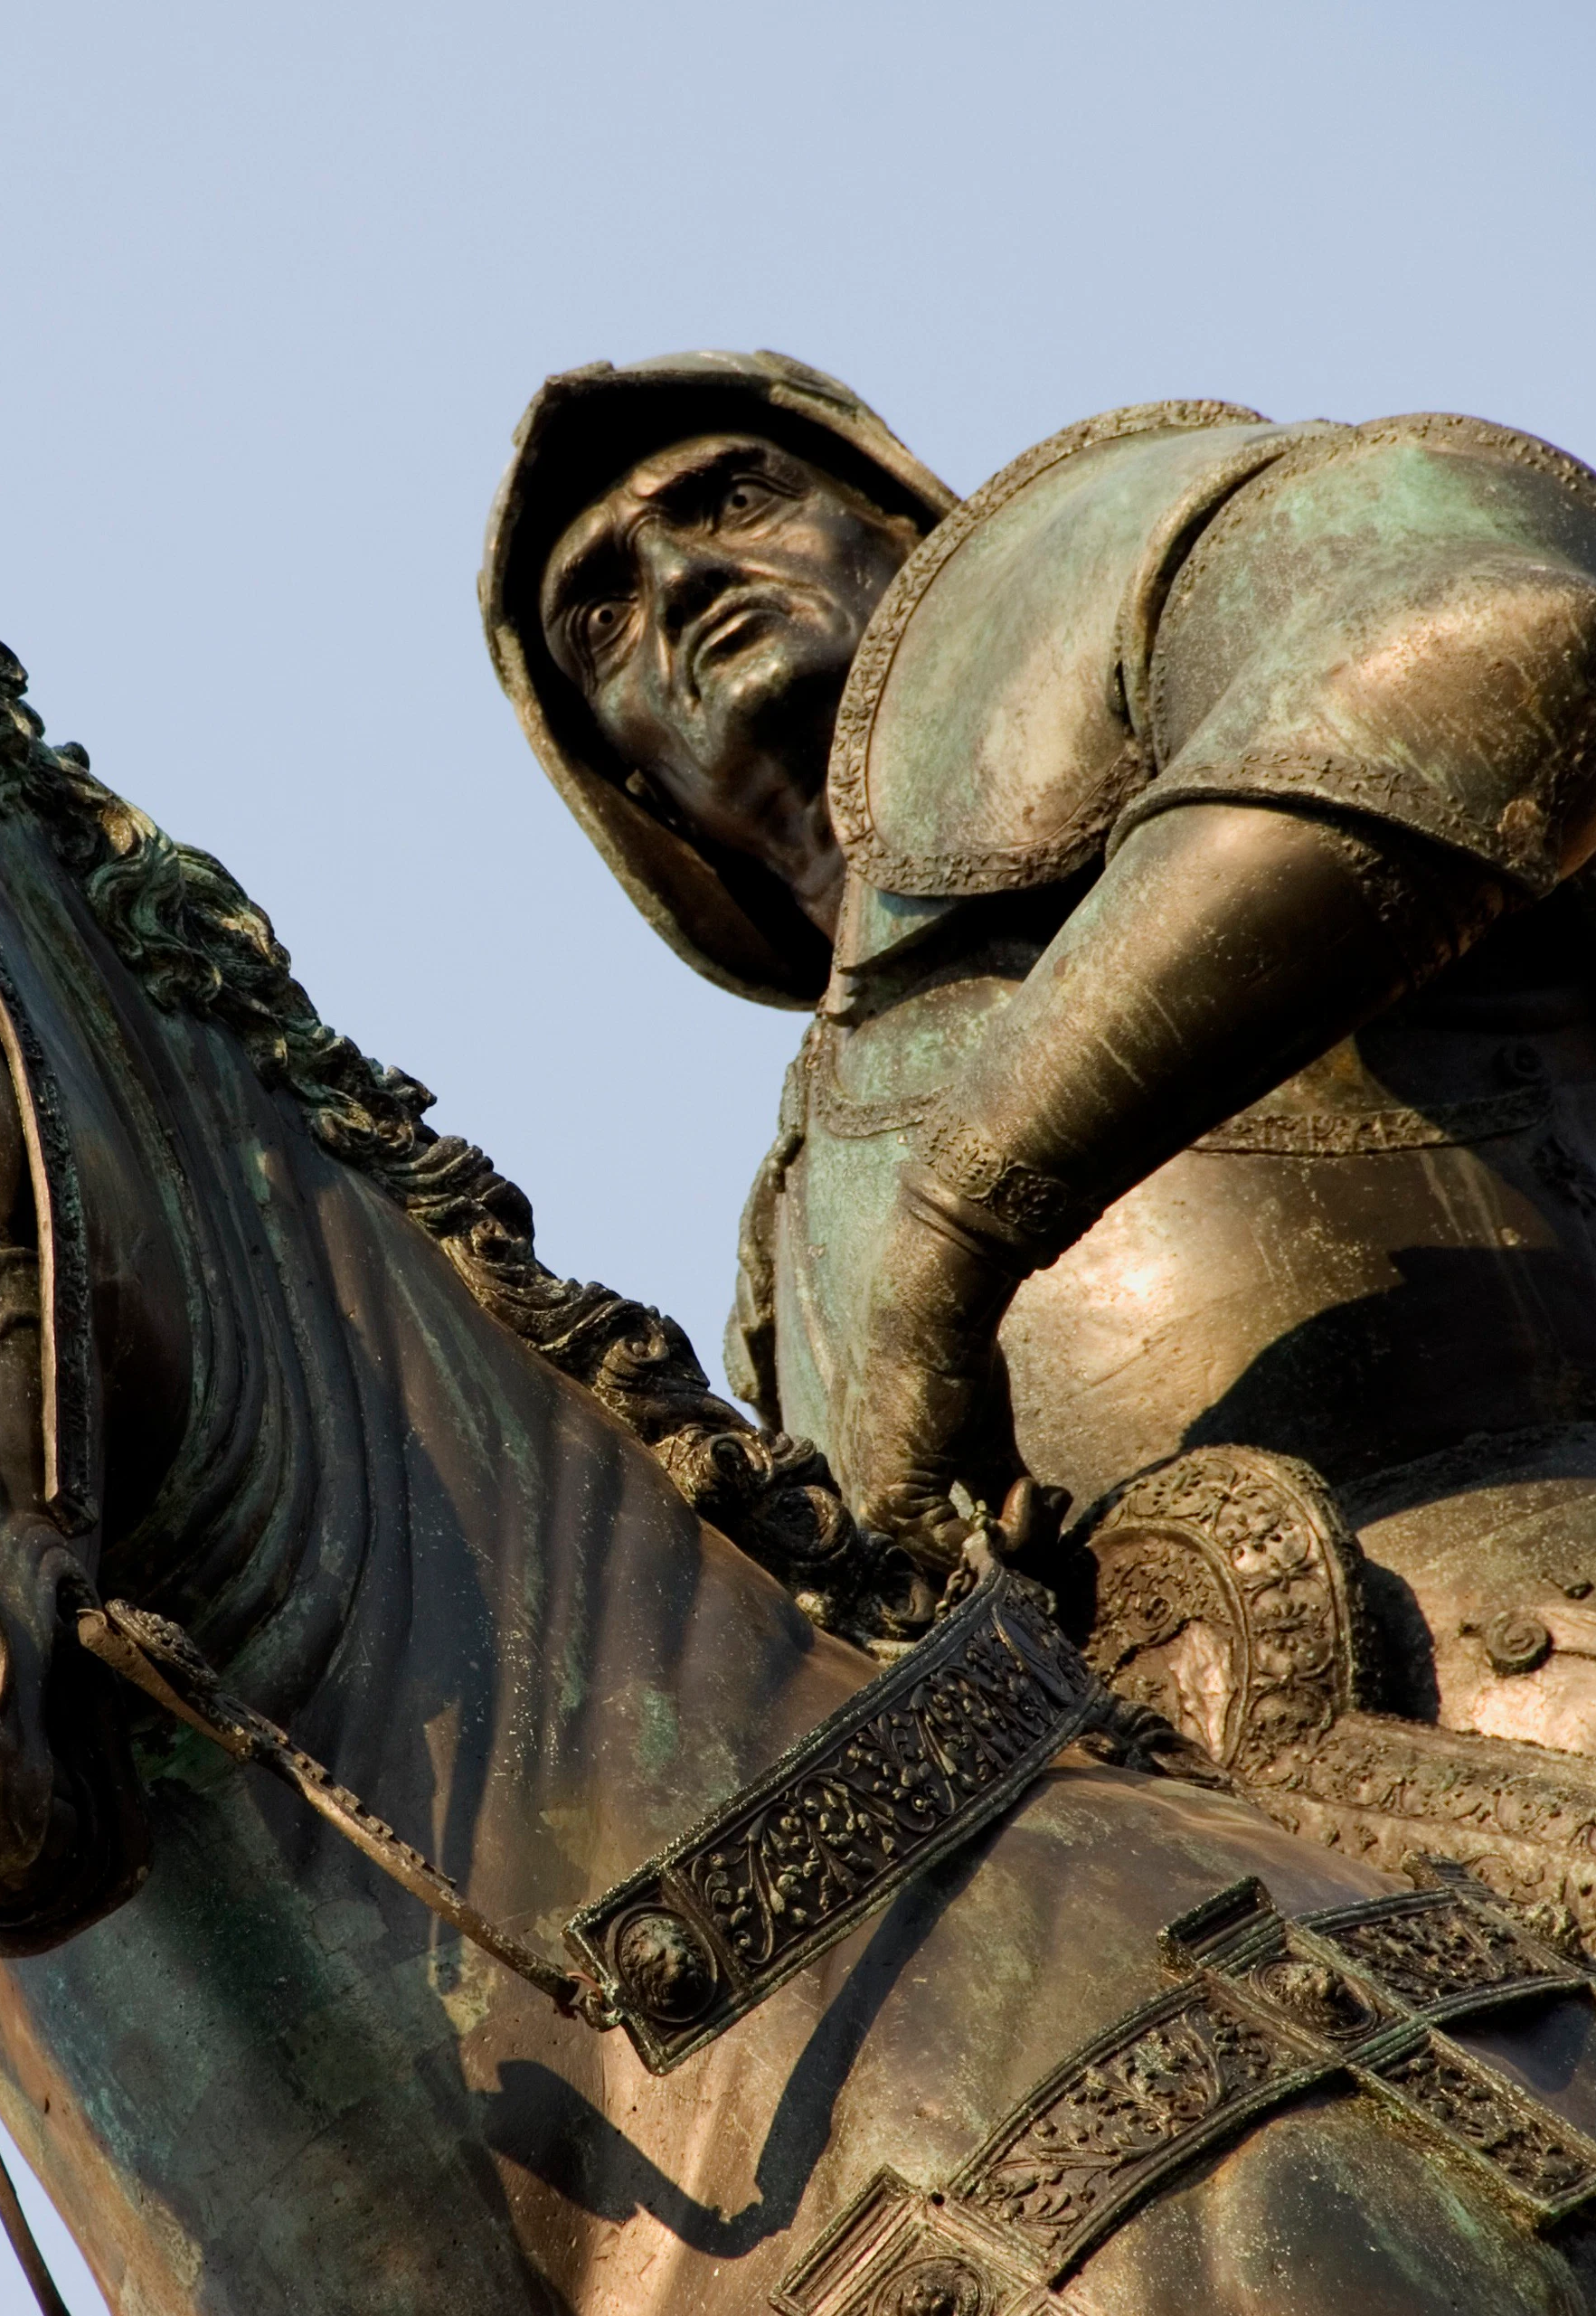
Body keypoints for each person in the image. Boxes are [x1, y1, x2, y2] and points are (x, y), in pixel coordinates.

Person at [484, 351, 1596, 1754]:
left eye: (738, 499)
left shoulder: (1110, 566)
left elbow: (1501, 640)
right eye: (601, 616)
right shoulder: (788, 1234)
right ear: (640, 789)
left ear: (908, 534)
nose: (683, 578)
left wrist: (955, 1235)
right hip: (1162, 1815)